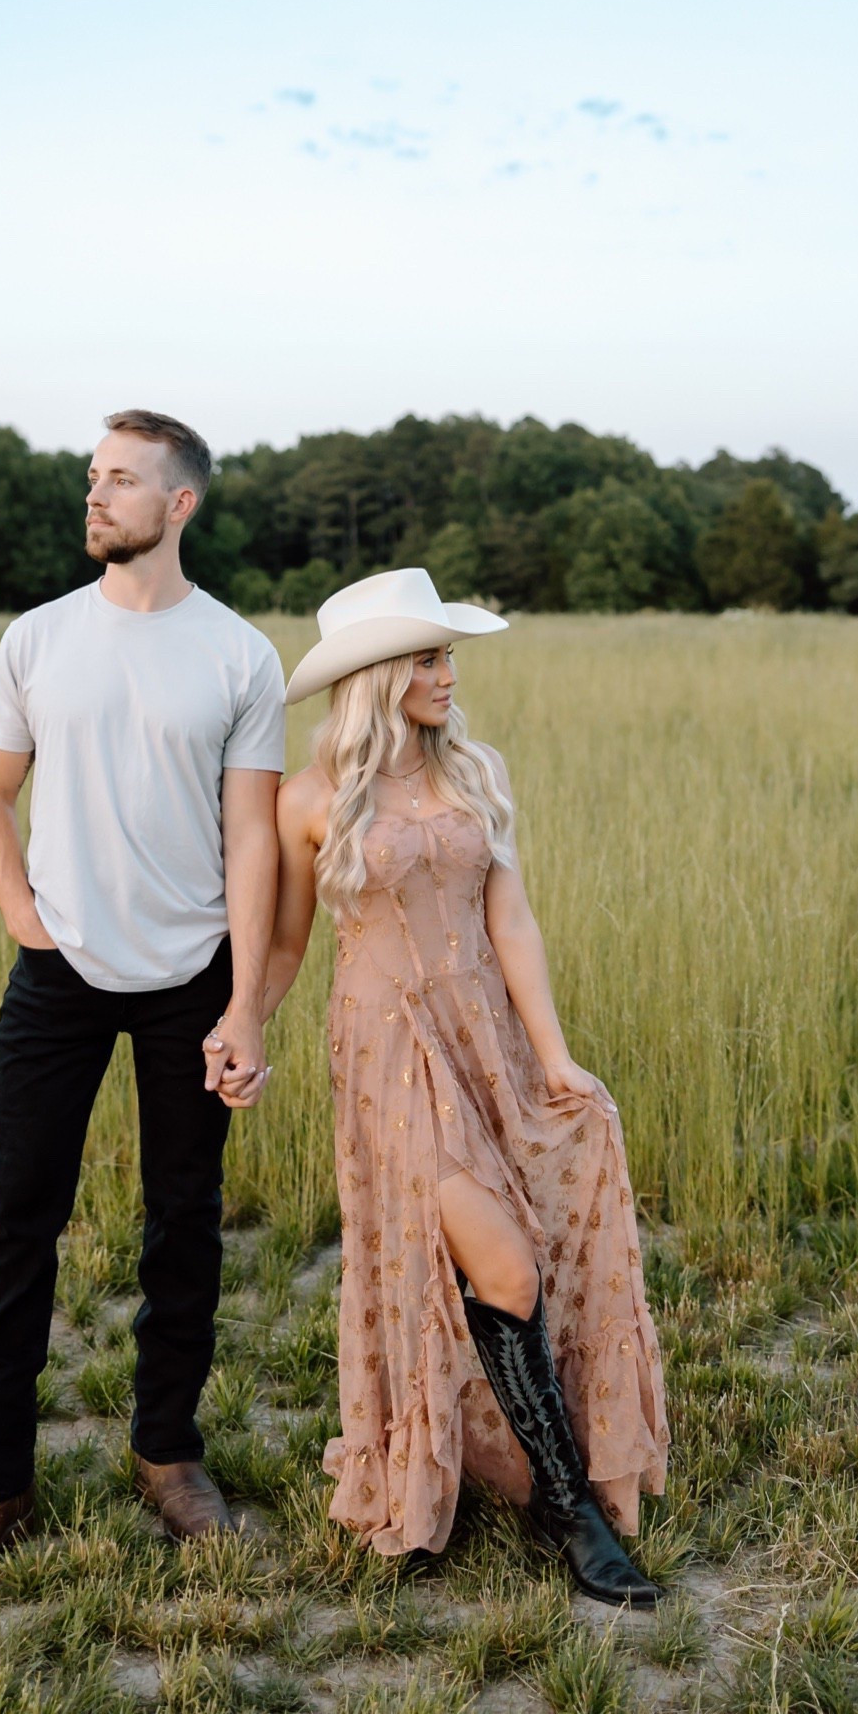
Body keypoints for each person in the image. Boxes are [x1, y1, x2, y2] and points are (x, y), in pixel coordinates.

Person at [0, 410, 284, 1598]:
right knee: (18, 1217)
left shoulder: (241, 654)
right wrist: (21, 908)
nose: (97, 495)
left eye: (121, 480)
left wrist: (249, 1005)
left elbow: (254, 838)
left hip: (194, 976)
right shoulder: (37, 638)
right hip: (57, 971)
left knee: (184, 1217)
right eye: (92, 477)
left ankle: (167, 1450)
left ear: (181, 504)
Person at [263, 568, 669, 1605]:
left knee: (521, 1254)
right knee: (507, 1267)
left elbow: (512, 921)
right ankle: (568, 1507)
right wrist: (239, 1026)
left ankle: (531, 1474)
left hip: (486, 1032)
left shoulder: (474, 771)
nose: (449, 675)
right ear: (378, 675)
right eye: (431, 657)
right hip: (390, 1051)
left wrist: (556, 1051)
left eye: (448, 656)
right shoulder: (308, 799)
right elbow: (285, 940)